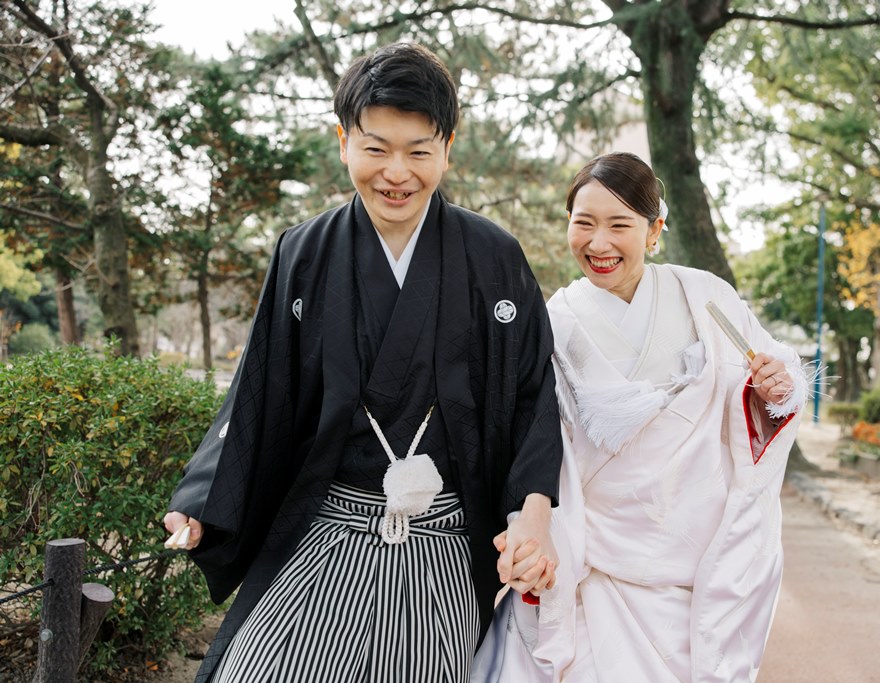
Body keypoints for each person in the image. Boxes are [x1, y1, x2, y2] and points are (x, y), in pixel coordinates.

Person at [163, 42, 562, 683]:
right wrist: (202, 500)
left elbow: (532, 398)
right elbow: (259, 389)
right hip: (323, 532)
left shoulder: (493, 256)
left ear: (447, 148)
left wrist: (534, 515)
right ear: (344, 141)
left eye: (419, 152)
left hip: (442, 543)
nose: (396, 173)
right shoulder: (304, 251)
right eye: (376, 149)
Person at [472, 152, 808, 683]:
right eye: (584, 223)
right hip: (595, 564)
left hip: (692, 565)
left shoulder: (707, 297)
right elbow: (534, 442)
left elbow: (762, 398)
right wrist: (531, 531)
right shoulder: (553, 321)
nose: (598, 243)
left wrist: (772, 389)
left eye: (619, 225)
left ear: (654, 231)